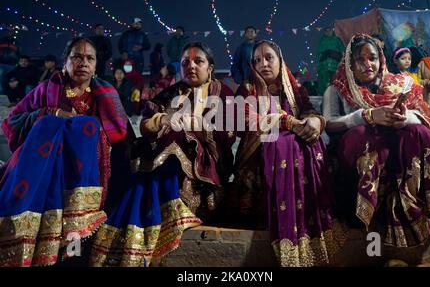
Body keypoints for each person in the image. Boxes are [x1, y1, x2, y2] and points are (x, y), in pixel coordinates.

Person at [90, 42, 236, 267]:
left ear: (211, 68)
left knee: (173, 136)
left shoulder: (221, 93)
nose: (191, 66)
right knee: (138, 146)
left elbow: (226, 135)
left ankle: (144, 218)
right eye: (186, 62)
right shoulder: (171, 92)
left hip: (203, 167)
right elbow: (146, 126)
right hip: (162, 161)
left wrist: (189, 125)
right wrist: (162, 120)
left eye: (199, 62)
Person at [0, 37, 128, 266]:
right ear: (65, 62)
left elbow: (119, 132)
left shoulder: (105, 94)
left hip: (86, 181)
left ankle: (71, 258)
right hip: (46, 175)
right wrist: (50, 115)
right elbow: (12, 122)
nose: (83, 63)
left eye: (90, 58)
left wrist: (82, 129)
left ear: (96, 65)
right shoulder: (47, 90)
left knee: (75, 248)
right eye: (76, 57)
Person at [322, 34, 430, 250]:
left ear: (381, 59)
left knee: (420, 132)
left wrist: (403, 118)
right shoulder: (337, 89)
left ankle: (419, 207)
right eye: (360, 60)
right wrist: (366, 115)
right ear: (350, 64)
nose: (367, 64)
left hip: (396, 147)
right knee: (362, 133)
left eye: (372, 58)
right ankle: (365, 209)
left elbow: (423, 116)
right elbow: (329, 124)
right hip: (358, 152)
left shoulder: (400, 84)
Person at [228, 40, 347, 267]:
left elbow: (309, 112)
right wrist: (288, 122)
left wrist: (314, 120)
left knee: (308, 142)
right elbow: (249, 120)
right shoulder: (248, 89)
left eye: (269, 58)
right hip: (258, 153)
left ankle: (308, 219)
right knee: (283, 144)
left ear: (280, 61)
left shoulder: (295, 89)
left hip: (294, 150)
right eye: (257, 60)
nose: (263, 64)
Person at [316, 26, 345, 95]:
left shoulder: (337, 39)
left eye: (329, 30)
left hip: (335, 64)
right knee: (323, 80)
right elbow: (318, 53)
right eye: (326, 30)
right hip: (324, 65)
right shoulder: (322, 40)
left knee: (336, 80)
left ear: (332, 31)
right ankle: (324, 95)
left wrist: (342, 60)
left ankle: (337, 95)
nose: (328, 31)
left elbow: (343, 51)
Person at [0, 29, 20, 93]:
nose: (9, 33)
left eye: (11, 32)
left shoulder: (16, 43)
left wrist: (17, 62)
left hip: (12, 65)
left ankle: (8, 92)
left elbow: (19, 54)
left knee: (10, 79)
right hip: (1, 64)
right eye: (8, 32)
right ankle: (1, 92)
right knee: (1, 77)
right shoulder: (1, 41)